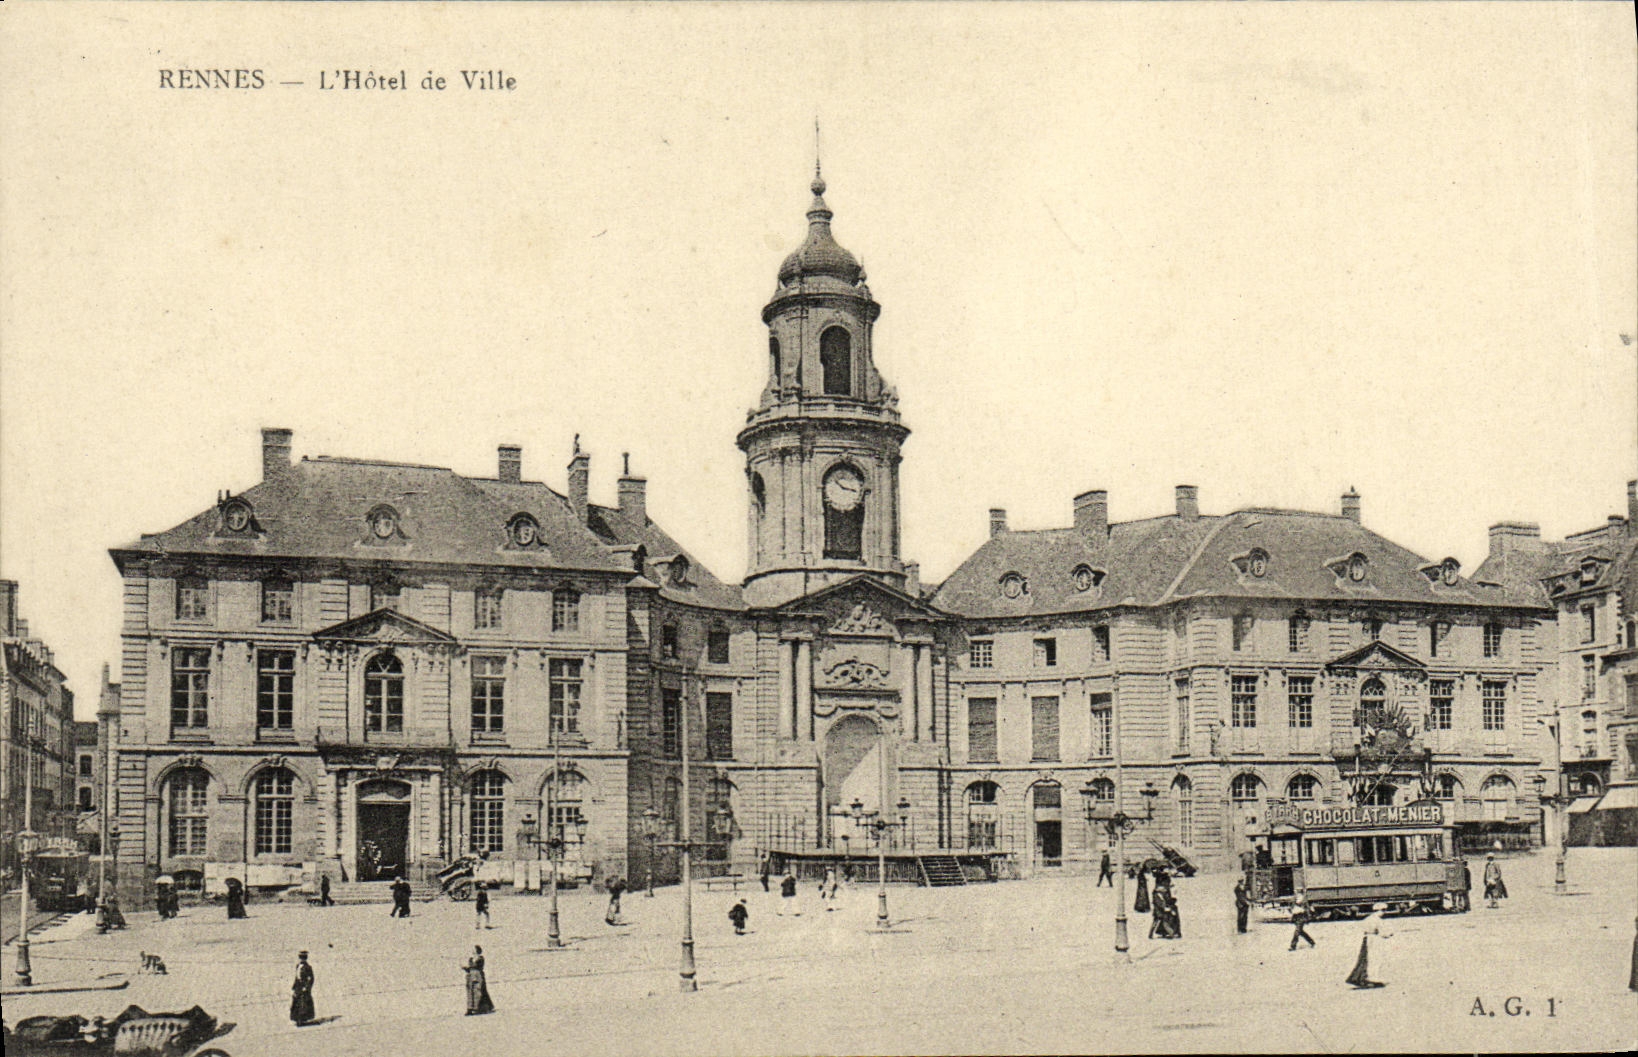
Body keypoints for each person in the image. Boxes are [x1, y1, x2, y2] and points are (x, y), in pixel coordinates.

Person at [1345, 909, 1389, 989]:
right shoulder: (1377, 920)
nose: (1383, 913)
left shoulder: (1368, 918)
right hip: (1374, 939)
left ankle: (1360, 977)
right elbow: (1382, 932)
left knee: (1365, 958)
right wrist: (1388, 935)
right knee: (1374, 958)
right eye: (1383, 911)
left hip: (1366, 938)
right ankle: (1371, 978)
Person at [464, 945, 494, 1015]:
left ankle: (476, 1008)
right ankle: (470, 1008)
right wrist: (466, 968)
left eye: (474, 949)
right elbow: (470, 968)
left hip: (477, 976)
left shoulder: (480, 958)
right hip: (470, 976)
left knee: (477, 992)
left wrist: (471, 967)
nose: (472, 950)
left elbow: (479, 966)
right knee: (470, 992)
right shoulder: (471, 959)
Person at [290, 951, 316, 1026]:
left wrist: (307, 987)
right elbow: (296, 977)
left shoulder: (308, 967)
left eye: (303, 958)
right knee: (296, 1002)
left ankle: (301, 1020)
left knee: (303, 1004)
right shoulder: (298, 966)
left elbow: (311, 978)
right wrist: (294, 986)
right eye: (301, 958)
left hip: (304, 987)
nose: (302, 959)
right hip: (298, 987)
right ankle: (296, 1018)